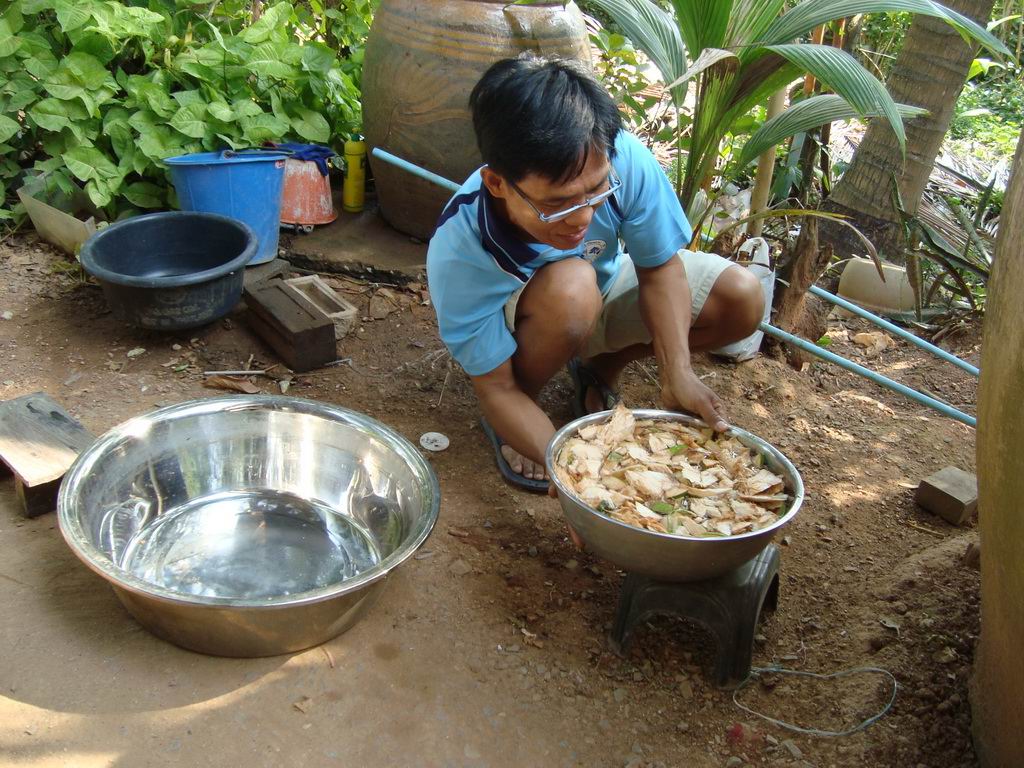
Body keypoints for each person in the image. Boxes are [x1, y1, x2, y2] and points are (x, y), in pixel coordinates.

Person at [426, 55, 764, 492]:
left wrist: (676, 370)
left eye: (596, 192)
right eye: (557, 203)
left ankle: (598, 368)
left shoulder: (621, 162)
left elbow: (659, 269)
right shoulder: (459, 247)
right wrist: (574, 476)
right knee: (572, 288)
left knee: (741, 297)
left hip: (599, 290)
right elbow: (495, 386)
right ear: (497, 184)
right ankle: (519, 420)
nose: (582, 217)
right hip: (537, 319)